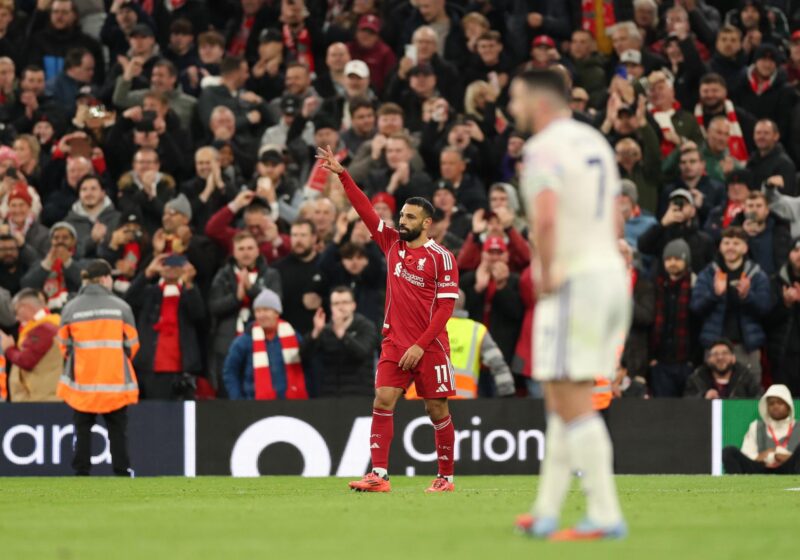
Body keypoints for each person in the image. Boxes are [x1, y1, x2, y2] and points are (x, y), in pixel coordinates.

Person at [510, 69, 630, 540]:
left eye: (517, 98)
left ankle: (604, 515)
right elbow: (616, 212)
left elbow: (544, 215)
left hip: (574, 279)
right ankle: (545, 510)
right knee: (563, 396)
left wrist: (545, 267)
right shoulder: (595, 141)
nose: (513, 108)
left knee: (570, 397)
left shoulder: (543, 147)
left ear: (539, 103)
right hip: (608, 275)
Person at [317, 144, 460, 493]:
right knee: (382, 398)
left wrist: (421, 345)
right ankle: (378, 475)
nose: (402, 221)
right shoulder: (391, 244)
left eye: (410, 217)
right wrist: (343, 175)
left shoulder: (442, 258)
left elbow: (445, 310)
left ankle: (445, 478)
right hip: (395, 342)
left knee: (436, 408)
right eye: (402, 216)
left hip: (431, 347)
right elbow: (364, 210)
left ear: (427, 223)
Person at [57, 259, 139, 476]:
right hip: (115, 382)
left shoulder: (71, 308)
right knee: (117, 430)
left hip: (83, 382)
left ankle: (81, 472)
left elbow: (63, 347)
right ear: (104, 279)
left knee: (82, 428)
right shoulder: (121, 307)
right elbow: (132, 345)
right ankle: (122, 471)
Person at [690, 227, 771, 381]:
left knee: (749, 400)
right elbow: (695, 307)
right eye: (726, 243)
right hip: (714, 349)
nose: (731, 247)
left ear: (745, 247)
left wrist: (747, 296)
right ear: (720, 247)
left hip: (747, 348)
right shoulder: (708, 274)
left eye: (736, 243)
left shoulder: (757, 275)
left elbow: (766, 308)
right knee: (713, 400)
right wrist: (714, 295)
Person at [125, 253, 205, 400]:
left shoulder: (189, 291)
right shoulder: (150, 292)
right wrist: (147, 273)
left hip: (182, 368)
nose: (171, 268)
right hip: (149, 366)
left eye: (177, 264)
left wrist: (189, 283)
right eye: (166, 264)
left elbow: (199, 315)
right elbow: (129, 298)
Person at [223, 288, 309, 401]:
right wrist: (238, 401)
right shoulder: (244, 340)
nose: (261, 315)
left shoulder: (293, 336)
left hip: (290, 404)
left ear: (277, 313)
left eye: (266, 310)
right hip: (254, 406)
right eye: (258, 311)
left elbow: (308, 359)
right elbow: (230, 372)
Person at [304, 286, 379, 397]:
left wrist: (342, 334)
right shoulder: (326, 330)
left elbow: (362, 352)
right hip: (330, 396)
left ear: (353, 305)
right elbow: (305, 356)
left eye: (345, 302)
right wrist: (316, 332)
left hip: (361, 395)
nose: (340, 307)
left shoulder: (366, 326)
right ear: (330, 307)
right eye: (336, 303)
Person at [649, 240, 696, 398]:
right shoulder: (656, 286)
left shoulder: (696, 285)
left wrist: (693, 360)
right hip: (661, 362)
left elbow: (698, 324)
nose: (672, 263)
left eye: (677, 259)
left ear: (686, 260)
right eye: (668, 259)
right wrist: (652, 358)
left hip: (687, 362)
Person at [1, 288, 62, 402]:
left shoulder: (45, 328)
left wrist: (9, 348)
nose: (16, 318)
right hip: (41, 397)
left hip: (42, 400)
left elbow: (27, 361)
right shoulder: (44, 326)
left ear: (25, 307)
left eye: (16, 311)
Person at [723, 384, 800, 474]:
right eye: (771, 403)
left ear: (788, 406)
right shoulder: (756, 426)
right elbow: (747, 454)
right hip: (761, 469)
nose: (775, 406)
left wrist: (785, 457)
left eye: (780, 403)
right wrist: (764, 456)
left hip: (789, 469)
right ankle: (737, 485)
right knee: (729, 452)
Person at [683, 339, 761, 399]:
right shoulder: (697, 378)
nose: (720, 357)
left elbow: (759, 398)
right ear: (708, 359)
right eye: (715, 354)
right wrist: (703, 397)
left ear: (733, 358)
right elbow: (686, 402)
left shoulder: (746, 377)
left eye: (725, 353)